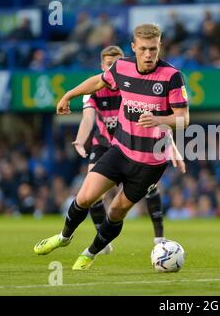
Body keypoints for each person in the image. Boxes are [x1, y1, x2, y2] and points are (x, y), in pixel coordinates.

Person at [34, 23, 189, 270]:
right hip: (120, 151)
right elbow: (97, 82)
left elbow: (183, 118)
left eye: (154, 49)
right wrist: (68, 95)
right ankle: (63, 238)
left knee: (116, 211)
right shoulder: (122, 67)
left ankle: (90, 253)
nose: (149, 55)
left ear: (160, 46)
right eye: (144, 49)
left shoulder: (172, 76)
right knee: (84, 197)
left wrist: (160, 119)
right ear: (133, 47)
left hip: (150, 164)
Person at [72, 45, 175, 254]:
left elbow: (159, 123)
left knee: (150, 187)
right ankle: (103, 241)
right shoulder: (94, 90)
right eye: (109, 65)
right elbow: (87, 119)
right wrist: (80, 139)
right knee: (91, 194)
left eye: (116, 64)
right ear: (103, 67)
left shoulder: (132, 87)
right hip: (103, 144)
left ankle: (159, 237)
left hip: (133, 145)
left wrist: (172, 147)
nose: (114, 69)